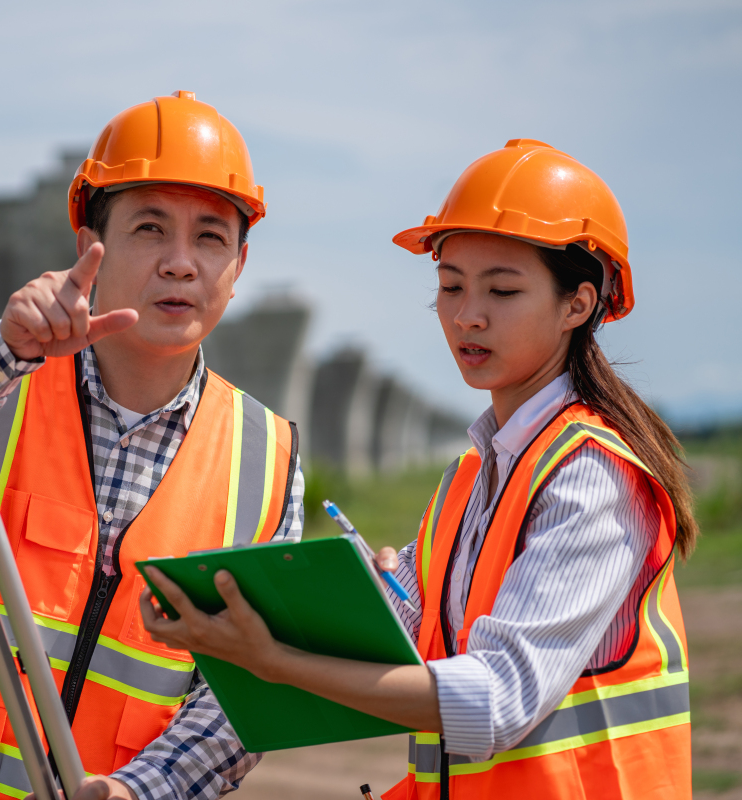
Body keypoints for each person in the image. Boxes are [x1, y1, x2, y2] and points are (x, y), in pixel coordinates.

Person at [140, 139, 696, 799]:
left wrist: (278, 661)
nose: (468, 315)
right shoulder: (474, 477)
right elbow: (404, 619)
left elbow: (494, 703)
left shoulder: (594, 478)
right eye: (451, 286)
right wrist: (243, 613)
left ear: (578, 304)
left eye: (503, 289)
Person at [0, 91, 305, 800]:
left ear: (240, 265)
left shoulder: (266, 460)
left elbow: (240, 695)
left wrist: (138, 792)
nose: (181, 263)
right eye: (150, 228)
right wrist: (2, 354)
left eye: (211, 237)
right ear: (88, 247)